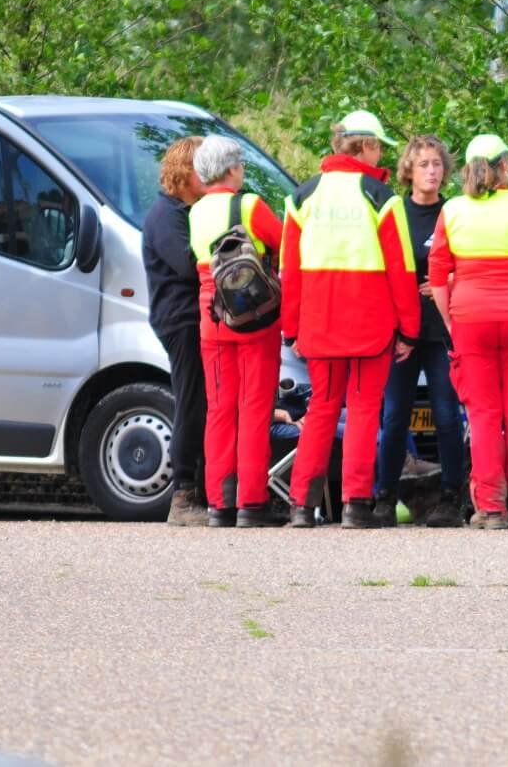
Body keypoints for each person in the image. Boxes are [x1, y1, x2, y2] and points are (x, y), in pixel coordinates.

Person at [281, 110, 421, 529]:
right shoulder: (382, 198)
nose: (381, 154)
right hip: (370, 327)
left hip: (320, 326)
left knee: (322, 409)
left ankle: (301, 505)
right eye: (379, 145)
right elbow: (403, 271)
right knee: (362, 410)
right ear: (365, 146)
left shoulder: (300, 198)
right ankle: (355, 505)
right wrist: (409, 330)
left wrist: (292, 330)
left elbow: (289, 272)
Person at [428, 133, 508, 529]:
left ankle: (490, 506)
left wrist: (451, 320)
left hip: (469, 315)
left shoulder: (451, 211)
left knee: (483, 413)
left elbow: (437, 274)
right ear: (502, 167)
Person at [188, 135, 287, 528]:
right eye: (241, 165)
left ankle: (220, 503)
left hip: (211, 316)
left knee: (220, 410)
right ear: (232, 169)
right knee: (254, 408)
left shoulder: (194, 212)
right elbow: (284, 241)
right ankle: (251, 502)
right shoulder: (247, 204)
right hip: (253, 314)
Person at [373, 135, 466, 528]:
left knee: (447, 415)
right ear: (409, 169)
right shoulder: (395, 212)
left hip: (441, 328)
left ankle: (451, 496)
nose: (432, 170)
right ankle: (384, 495)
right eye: (424, 164)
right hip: (401, 333)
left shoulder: (455, 212)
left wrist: (448, 280)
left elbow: (471, 263)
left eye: (437, 164)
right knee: (394, 416)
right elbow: (379, 264)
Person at [140, 136, 208, 527]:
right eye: (203, 169)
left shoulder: (183, 211)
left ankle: (197, 488)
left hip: (190, 318)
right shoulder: (167, 215)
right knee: (190, 402)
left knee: (199, 402)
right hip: (181, 319)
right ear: (185, 172)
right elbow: (186, 265)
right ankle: (182, 493)